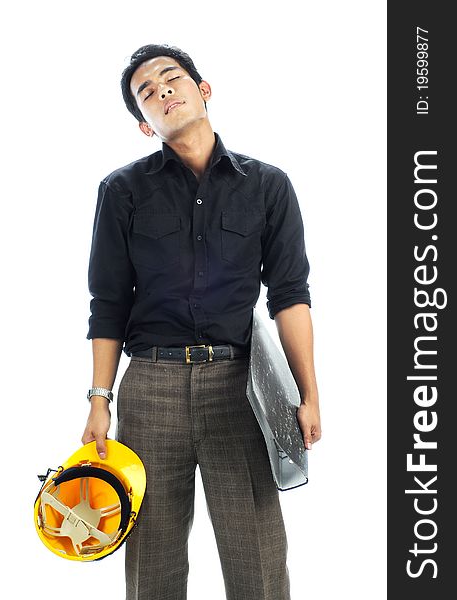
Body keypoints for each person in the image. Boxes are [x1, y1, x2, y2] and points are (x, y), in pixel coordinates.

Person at [81, 43, 321, 600]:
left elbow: (290, 296)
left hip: (239, 387)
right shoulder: (122, 191)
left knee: (256, 556)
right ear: (145, 125)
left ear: (202, 89)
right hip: (150, 386)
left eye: (171, 79)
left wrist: (307, 392)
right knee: (153, 562)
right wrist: (99, 398)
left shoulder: (268, 186)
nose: (162, 91)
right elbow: (107, 303)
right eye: (147, 92)